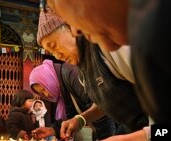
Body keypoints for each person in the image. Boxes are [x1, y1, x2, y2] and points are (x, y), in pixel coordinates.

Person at [36, 6, 149, 140]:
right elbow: (105, 102)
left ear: (70, 27)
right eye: (51, 52)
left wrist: (129, 138)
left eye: (54, 45)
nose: (57, 56)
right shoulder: (82, 68)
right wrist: (81, 119)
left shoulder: (108, 46)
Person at [30, 59, 122, 141]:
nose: (46, 94)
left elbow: (101, 107)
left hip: (122, 127)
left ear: (48, 77)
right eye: (42, 93)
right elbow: (70, 117)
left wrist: (105, 137)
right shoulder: (63, 89)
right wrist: (52, 130)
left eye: (44, 88)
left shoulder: (70, 73)